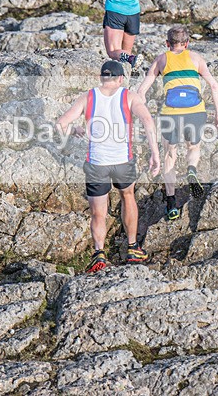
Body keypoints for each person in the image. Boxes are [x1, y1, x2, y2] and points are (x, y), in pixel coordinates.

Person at [56, 60, 161, 273]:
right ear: (121, 78)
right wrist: (155, 154)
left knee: (98, 213)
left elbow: (60, 124)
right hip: (123, 160)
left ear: (101, 78)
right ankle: (132, 248)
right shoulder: (128, 96)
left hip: (97, 163)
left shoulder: (88, 97)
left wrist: (72, 132)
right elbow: (149, 122)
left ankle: (99, 254)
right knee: (128, 197)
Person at [136, 26, 218, 221]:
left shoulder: (161, 59)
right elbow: (214, 85)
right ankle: (191, 169)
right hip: (195, 111)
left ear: (167, 44)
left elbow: (142, 91)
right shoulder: (196, 58)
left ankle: (171, 204)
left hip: (170, 113)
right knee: (194, 146)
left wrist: (143, 116)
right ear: (187, 44)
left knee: (169, 155)